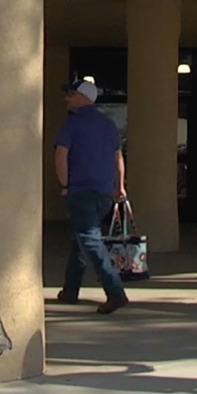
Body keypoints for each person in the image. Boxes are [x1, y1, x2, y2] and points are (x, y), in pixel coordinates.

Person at [53, 80, 129, 314]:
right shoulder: (108, 125)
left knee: (90, 240)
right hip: (104, 194)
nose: (67, 98)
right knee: (82, 241)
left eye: (71, 94)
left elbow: (61, 154)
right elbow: (118, 158)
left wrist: (65, 184)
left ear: (84, 96)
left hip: (80, 192)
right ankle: (70, 291)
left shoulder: (72, 124)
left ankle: (115, 292)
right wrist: (120, 186)